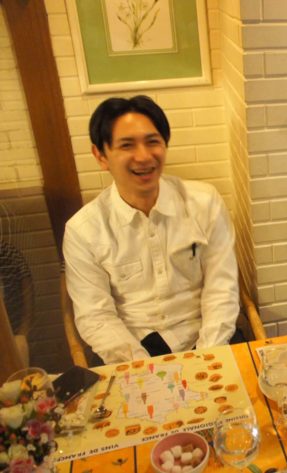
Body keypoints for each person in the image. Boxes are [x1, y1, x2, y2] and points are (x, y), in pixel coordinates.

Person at [63, 96, 240, 364]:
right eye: (127, 145)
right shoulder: (83, 231)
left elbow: (221, 287)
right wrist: (142, 368)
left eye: (153, 142)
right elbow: (96, 316)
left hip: (208, 336)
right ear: (101, 156)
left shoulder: (204, 203)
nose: (144, 156)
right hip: (134, 348)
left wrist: (207, 355)